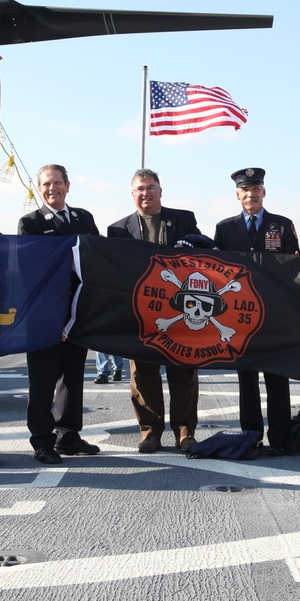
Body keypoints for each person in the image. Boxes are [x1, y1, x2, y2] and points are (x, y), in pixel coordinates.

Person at [108, 168, 213, 453]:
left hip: (181, 311)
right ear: (133, 194)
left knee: (183, 372)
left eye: (151, 187)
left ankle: (184, 431)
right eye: (140, 189)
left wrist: (191, 243)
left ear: (160, 190)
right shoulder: (117, 229)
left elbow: (207, 245)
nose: (146, 193)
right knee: (143, 374)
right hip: (140, 313)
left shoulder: (183, 219)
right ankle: (150, 432)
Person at [18, 164, 102, 464]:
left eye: (57, 183)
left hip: (78, 312)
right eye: (45, 184)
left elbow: (97, 258)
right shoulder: (30, 223)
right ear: (39, 189)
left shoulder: (83, 218)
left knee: (72, 377)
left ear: (68, 185)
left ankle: (68, 435)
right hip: (45, 315)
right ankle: (42, 440)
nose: (52, 188)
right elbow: (31, 271)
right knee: (42, 380)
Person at [213, 167, 300, 455]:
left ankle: (280, 437)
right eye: (245, 190)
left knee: (277, 377)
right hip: (240, 317)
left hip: (274, 314)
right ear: (238, 194)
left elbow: (294, 271)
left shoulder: (283, 225)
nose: (251, 194)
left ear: (264, 192)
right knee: (246, 378)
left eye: (256, 189)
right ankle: (250, 436)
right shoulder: (224, 229)